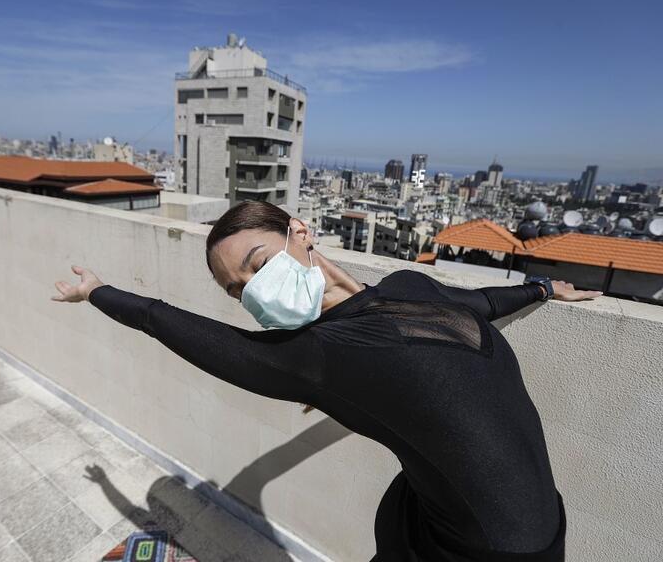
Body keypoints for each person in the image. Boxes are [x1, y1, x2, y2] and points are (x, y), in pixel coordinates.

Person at [52, 200, 602, 562]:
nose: (251, 289)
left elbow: (479, 303)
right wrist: (98, 292)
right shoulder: (315, 358)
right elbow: (168, 322)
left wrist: (545, 290)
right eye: (236, 289)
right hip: (484, 536)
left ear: (300, 233)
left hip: (501, 539)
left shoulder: (407, 287)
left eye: (257, 261)